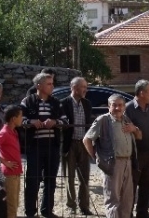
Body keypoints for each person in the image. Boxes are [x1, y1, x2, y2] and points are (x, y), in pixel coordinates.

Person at [83, 94, 142, 218]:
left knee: (127, 199)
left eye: (120, 105)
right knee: (113, 199)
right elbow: (87, 139)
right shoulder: (103, 120)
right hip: (112, 164)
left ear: (124, 107)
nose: (117, 108)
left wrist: (134, 129)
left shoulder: (126, 120)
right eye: (114, 105)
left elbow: (139, 136)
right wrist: (96, 157)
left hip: (128, 163)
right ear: (109, 106)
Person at [20, 72, 68, 218]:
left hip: (52, 147)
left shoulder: (56, 102)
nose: (52, 86)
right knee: (32, 180)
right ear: (39, 85)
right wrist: (31, 123)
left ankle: (47, 211)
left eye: (52, 83)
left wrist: (55, 122)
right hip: (34, 147)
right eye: (49, 83)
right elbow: (19, 121)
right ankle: (30, 212)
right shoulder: (27, 101)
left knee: (50, 180)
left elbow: (65, 121)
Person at [125, 79, 149, 218]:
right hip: (134, 155)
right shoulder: (128, 109)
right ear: (141, 93)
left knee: (148, 183)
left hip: (148, 153)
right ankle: (128, 213)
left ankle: (142, 212)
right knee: (132, 186)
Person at [60, 77, 94, 215]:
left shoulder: (87, 103)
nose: (85, 90)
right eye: (83, 87)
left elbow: (89, 123)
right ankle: (71, 205)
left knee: (84, 176)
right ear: (74, 88)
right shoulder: (63, 103)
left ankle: (84, 206)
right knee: (69, 177)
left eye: (86, 87)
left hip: (84, 143)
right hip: (69, 144)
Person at [0, 105, 24, 218]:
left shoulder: (13, 131)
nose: (22, 118)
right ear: (13, 119)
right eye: (20, 116)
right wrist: (4, 162)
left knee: (14, 203)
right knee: (11, 204)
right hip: (9, 173)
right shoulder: (5, 132)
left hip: (15, 172)